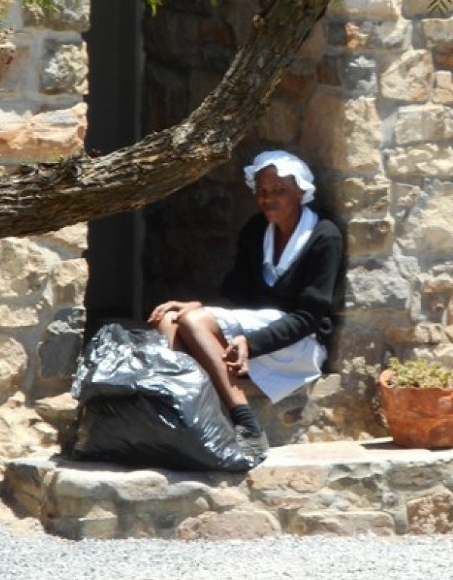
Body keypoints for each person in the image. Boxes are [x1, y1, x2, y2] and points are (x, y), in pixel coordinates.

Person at [147, 150, 343, 456]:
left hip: (296, 342)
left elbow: (309, 316)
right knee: (170, 319)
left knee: (193, 323)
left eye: (280, 191)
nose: (269, 199)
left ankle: (245, 420)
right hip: (254, 327)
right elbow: (236, 296)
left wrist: (251, 344)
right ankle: (188, 414)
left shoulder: (323, 236)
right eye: (262, 192)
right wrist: (199, 304)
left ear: (301, 192)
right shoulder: (257, 229)